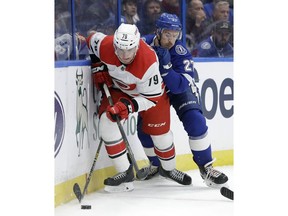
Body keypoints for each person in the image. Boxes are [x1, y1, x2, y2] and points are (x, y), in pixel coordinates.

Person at [86, 23, 191, 192]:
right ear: (115, 45)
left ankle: (169, 169)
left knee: (161, 136)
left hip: (150, 95)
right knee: (107, 122)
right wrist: (97, 64)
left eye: (129, 50)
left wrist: (128, 106)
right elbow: (91, 39)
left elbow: (151, 99)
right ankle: (125, 172)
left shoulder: (148, 62)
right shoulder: (106, 44)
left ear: (137, 45)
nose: (124, 55)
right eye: (120, 49)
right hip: (120, 89)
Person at [138, 13, 229, 188]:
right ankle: (157, 165)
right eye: (167, 34)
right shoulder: (143, 43)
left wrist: (165, 69)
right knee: (143, 129)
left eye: (175, 35)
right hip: (152, 89)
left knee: (196, 120)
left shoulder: (181, 52)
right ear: (158, 32)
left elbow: (180, 86)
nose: (171, 40)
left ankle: (206, 168)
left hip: (176, 87)